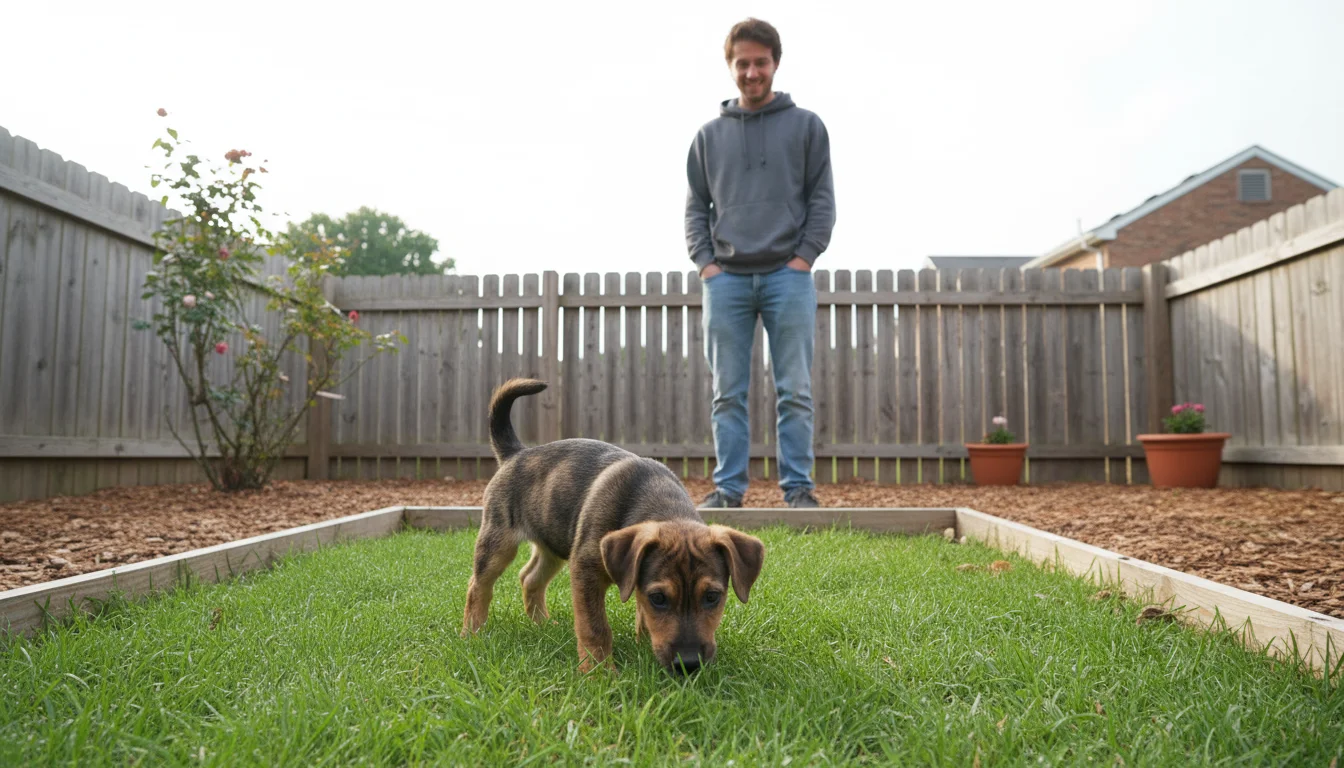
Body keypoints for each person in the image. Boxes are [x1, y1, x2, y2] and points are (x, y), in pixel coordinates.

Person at [684, 17, 836, 509]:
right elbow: (695, 207)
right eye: (742, 63)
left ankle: (798, 490)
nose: (752, 72)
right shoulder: (708, 137)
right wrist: (706, 264)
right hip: (725, 280)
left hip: (786, 278)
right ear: (731, 67)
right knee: (727, 394)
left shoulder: (807, 126)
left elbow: (822, 199)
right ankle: (728, 491)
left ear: (775, 63)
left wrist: (803, 258)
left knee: (794, 390)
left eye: (760, 62)